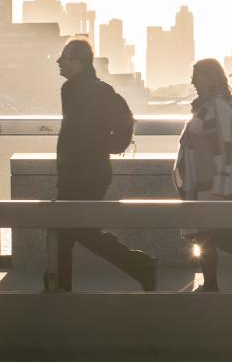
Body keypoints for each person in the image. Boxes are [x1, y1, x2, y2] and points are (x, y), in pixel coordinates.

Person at [50, 38, 157, 292]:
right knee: (74, 230)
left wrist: (100, 149)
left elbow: (101, 128)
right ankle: (137, 265)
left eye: (64, 57)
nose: (58, 61)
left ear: (77, 62)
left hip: (85, 173)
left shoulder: (89, 90)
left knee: (67, 229)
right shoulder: (79, 88)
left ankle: (58, 288)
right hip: (84, 171)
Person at [173, 57, 232, 292]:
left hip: (215, 184)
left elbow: (224, 147)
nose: (193, 81)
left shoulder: (218, 107)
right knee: (209, 235)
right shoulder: (208, 105)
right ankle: (213, 283)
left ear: (211, 78)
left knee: (217, 236)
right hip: (204, 184)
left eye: (198, 76)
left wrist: (220, 189)